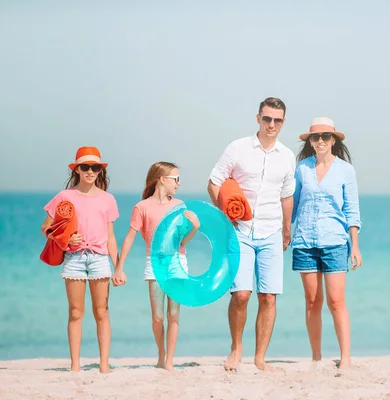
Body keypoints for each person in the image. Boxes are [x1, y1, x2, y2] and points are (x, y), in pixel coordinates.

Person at [207, 97, 296, 371]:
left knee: (268, 296)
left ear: (283, 122)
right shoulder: (238, 148)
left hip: (271, 231)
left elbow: (287, 195)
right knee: (242, 294)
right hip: (240, 230)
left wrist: (286, 228)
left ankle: (260, 358)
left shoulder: (287, 156)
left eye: (277, 120)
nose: (271, 124)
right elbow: (214, 182)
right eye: (267, 118)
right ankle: (236, 348)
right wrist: (224, 216)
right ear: (258, 118)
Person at [112, 161, 200, 371]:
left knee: (174, 315)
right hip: (155, 263)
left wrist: (195, 227)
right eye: (175, 179)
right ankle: (161, 354)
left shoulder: (179, 206)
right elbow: (130, 238)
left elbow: (182, 241)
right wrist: (119, 267)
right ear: (162, 179)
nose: (178, 184)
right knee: (158, 317)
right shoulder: (142, 207)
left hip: (178, 262)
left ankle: (169, 361)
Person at [291, 117, 363, 369]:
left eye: (325, 136)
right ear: (310, 141)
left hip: (335, 242)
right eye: (315, 137)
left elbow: (352, 210)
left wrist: (354, 245)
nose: (320, 141)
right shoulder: (301, 169)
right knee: (312, 300)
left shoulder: (345, 170)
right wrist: (282, 232)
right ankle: (316, 357)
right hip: (304, 242)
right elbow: (294, 205)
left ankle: (345, 358)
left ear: (333, 140)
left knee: (336, 301)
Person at [40, 146, 119, 373]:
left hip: (100, 258)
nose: (90, 171)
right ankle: (75, 366)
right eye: (85, 167)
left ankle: (104, 365)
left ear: (99, 171)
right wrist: (65, 238)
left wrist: (118, 267)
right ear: (77, 170)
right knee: (75, 312)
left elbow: (111, 238)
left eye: (95, 167)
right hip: (74, 258)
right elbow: (46, 228)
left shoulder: (108, 199)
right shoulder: (64, 197)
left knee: (101, 311)